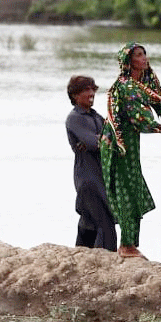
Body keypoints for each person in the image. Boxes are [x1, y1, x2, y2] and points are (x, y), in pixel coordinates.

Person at [100, 42, 161, 259]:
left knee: (134, 187)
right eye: (138, 55)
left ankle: (130, 244)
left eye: (144, 54)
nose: (144, 58)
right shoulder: (126, 87)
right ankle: (127, 246)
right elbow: (142, 121)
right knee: (126, 190)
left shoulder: (146, 81)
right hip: (117, 144)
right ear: (128, 62)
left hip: (131, 142)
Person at [65, 75, 117, 252]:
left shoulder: (95, 116)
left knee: (89, 223)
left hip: (99, 177)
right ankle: (107, 262)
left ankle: (78, 257)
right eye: (86, 90)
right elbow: (97, 144)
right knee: (106, 223)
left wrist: (103, 140)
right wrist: (102, 140)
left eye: (92, 89)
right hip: (87, 180)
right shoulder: (75, 118)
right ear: (74, 95)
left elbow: (113, 138)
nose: (91, 93)